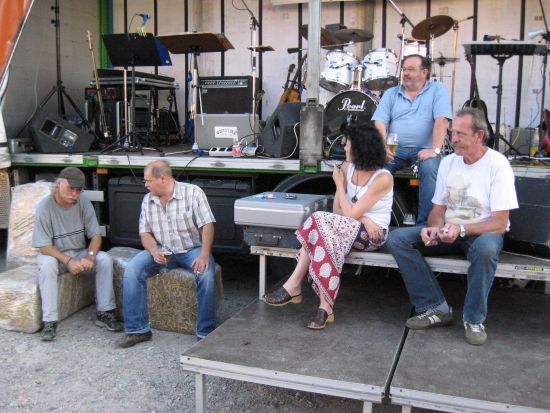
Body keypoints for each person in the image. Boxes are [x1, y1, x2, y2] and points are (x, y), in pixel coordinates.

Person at [386, 108, 519, 346]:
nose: (453, 139)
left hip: (483, 233)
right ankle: (435, 307)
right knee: (397, 239)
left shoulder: (498, 164)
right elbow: (438, 210)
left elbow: (500, 223)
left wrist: (462, 229)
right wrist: (434, 228)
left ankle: (474, 320)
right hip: (451, 231)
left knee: (486, 249)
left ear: (479, 135)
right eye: (452, 133)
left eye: (460, 134)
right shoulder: (448, 162)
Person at [263, 125, 393, 329]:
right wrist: (364, 219)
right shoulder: (348, 168)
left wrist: (340, 186)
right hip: (348, 228)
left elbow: (349, 214)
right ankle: (325, 307)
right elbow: (338, 212)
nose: (345, 148)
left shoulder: (383, 178)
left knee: (318, 222)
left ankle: (294, 285)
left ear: (361, 148)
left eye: (348, 144)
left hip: (372, 236)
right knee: (323, 231)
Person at [118, 160, 217, 347]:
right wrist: (153, 250)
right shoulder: (148, 200)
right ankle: (138, 330)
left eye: (148, 180)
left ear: (162, 178)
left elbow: (208, 224)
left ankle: (205, 333)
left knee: (206, 276)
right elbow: (145, 232)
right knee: (132, 270)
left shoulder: (193, 192)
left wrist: (204, 254)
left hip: (192, 249)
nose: (145, 185)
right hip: (164, 249)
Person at [33, 167, 122, 342]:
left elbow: (95, 235)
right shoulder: (45, 207)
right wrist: (68, 261)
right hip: (56, 255)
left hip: (78, 252)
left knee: (104, 259)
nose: (74, 194)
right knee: (47, 264)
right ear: (59, 184)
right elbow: (44, 246)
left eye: (78, 190)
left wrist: (90, 256)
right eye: (71, 188)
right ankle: (49, 321)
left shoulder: (83, 202)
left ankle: (105, 311)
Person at [372, 54, 452, 225]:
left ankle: (426, 225)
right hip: (395, 149)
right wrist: (382, 146)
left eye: (411, 69)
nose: (406, 73)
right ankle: (374, 221)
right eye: (404, 69)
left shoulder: (437, 89)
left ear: (424, 72)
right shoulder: (391, 93)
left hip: (425, 149)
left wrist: (435, 149)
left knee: (430, 169)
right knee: (374, 167)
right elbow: (379, 122)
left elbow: (442, 120)